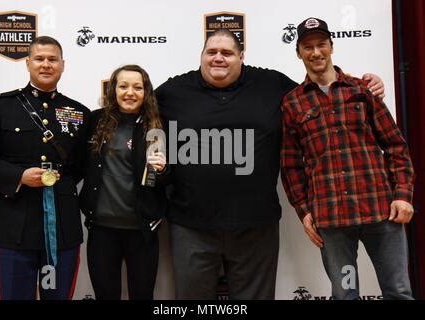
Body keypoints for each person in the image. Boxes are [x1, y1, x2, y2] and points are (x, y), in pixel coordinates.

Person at [155, 28, 385, 300]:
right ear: (201, 56)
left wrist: (365, 85)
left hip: (256, 226)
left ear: (241, 57)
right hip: (190, 226)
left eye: (227, 53)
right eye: (211, 52)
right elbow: (133, 109)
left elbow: (319, 92)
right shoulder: (173, 91)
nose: (218, 58)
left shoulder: (271, 84)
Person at [281, 17, 415, 300]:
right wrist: (304, 211)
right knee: (345, 294)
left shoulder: (362, 90)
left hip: (382, 214)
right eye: (308, 47)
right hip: (332, 221)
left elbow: (395, 147)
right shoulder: (292, 103)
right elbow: (291, 166)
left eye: (321, 45)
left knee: (399, 292)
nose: (315, 52)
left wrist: (403, 195)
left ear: (331, 46)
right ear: (299, 53)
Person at [0, 36, 90, 299]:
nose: (46, 64)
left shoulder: (79, 112)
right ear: (28, 63)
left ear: (63, 65)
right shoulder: (1, 107)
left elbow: (82, 165)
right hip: (14, 225)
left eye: (52, 59)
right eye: (39, 59)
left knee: (57, 296)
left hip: (62, 227)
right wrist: (19, 176)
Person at [79, 65, 168, 300]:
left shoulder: (159, 125)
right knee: (105, 295)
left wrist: (163, 170)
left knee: (142, 294)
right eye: (123, 86)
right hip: (101, 229)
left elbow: (172, 177)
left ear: (146, 92)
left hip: (142, 230)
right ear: (113, 90)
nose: (130, 92)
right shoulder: (95, 120)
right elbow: (77, 163)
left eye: (137, 87)